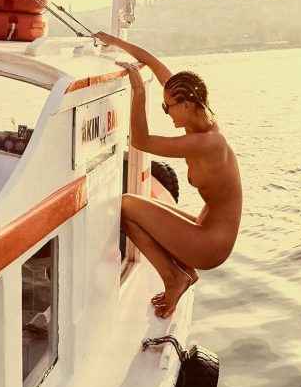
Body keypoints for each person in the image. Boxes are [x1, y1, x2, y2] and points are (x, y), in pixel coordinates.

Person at [95, 31, 242, 318]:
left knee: (126, 204)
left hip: (211, 245)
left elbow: (141, 141)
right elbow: (153, 62)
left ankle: (174, 279)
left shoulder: (207, 143)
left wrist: (139, 93)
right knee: (133, 207)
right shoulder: (195, 118)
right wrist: (114, 41)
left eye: (167, 107)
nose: (166, 112)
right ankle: (182, 273)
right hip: (204, 227)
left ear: (186, 105)